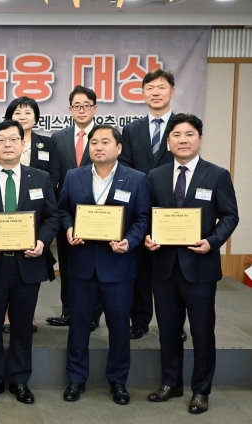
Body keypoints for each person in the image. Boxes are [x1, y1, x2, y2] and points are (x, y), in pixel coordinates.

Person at [145, 114, 238, 414]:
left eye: (189, 134)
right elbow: (147, 216)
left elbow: (230, 216)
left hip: (200, 267)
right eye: (176, 135)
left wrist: (212, 241)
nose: (182, 140)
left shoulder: (217, 174)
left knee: (202, 332)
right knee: (168, 330)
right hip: (164, 267)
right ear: (168, 140)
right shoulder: (155, 175)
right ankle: (171, 384)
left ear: (199, 138)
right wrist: (148, 237)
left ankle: (201, 390)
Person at [0, 120, 58, 404]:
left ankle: (19, 381)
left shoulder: (40, 178)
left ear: (23, 144)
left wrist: (42, 242)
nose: (7, 145)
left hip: (27, 263)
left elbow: (52, 217)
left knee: (22, 326)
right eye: (1, 140)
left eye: (13, 139)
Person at [59, 125, 150, 405]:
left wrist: (130, 241)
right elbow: (62, 209)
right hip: (81, 266)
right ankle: (76, 379)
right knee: (78, 327)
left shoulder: (136, 179)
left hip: (118, 265)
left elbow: (143, 218)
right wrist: (69, 228)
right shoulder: (74, 176)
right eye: (94, 142)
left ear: (119, 148)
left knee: (119, 327)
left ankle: (118, 381)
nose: (98, 147)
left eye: (105, 142)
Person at [119, 68, 177, 341]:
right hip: (139, 209)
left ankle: (174, 325)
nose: (155, 92)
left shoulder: (183, 126)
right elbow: (127, 167)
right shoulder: (131, 129)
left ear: (172, 92)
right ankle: (139, 320)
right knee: (139, 270)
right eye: (150, 88)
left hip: (174, 210)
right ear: (142, 94)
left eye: (161, 87)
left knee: (173, 272)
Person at [47, 86, 103, 331]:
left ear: (95, 108)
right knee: (68, 266)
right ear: (70, 109)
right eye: (77, 106)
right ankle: (68, 311)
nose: (82, 110)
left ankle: (92, 315)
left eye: (86, 105)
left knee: (96, 266)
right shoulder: (59, 138)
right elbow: (55, 177)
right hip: (67, 212)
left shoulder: (105, 135)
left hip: (99, 214)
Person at [4, 96, 61, 333]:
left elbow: (54, 176)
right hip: (5, 214)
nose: (23, 116)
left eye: (28, 112)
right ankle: (6, 314)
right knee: (4, 266)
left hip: (36, 215)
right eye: (18, 112)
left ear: (36, 117)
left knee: (31, 265)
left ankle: (29, 314)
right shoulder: (2, 141)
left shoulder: (46, 143)